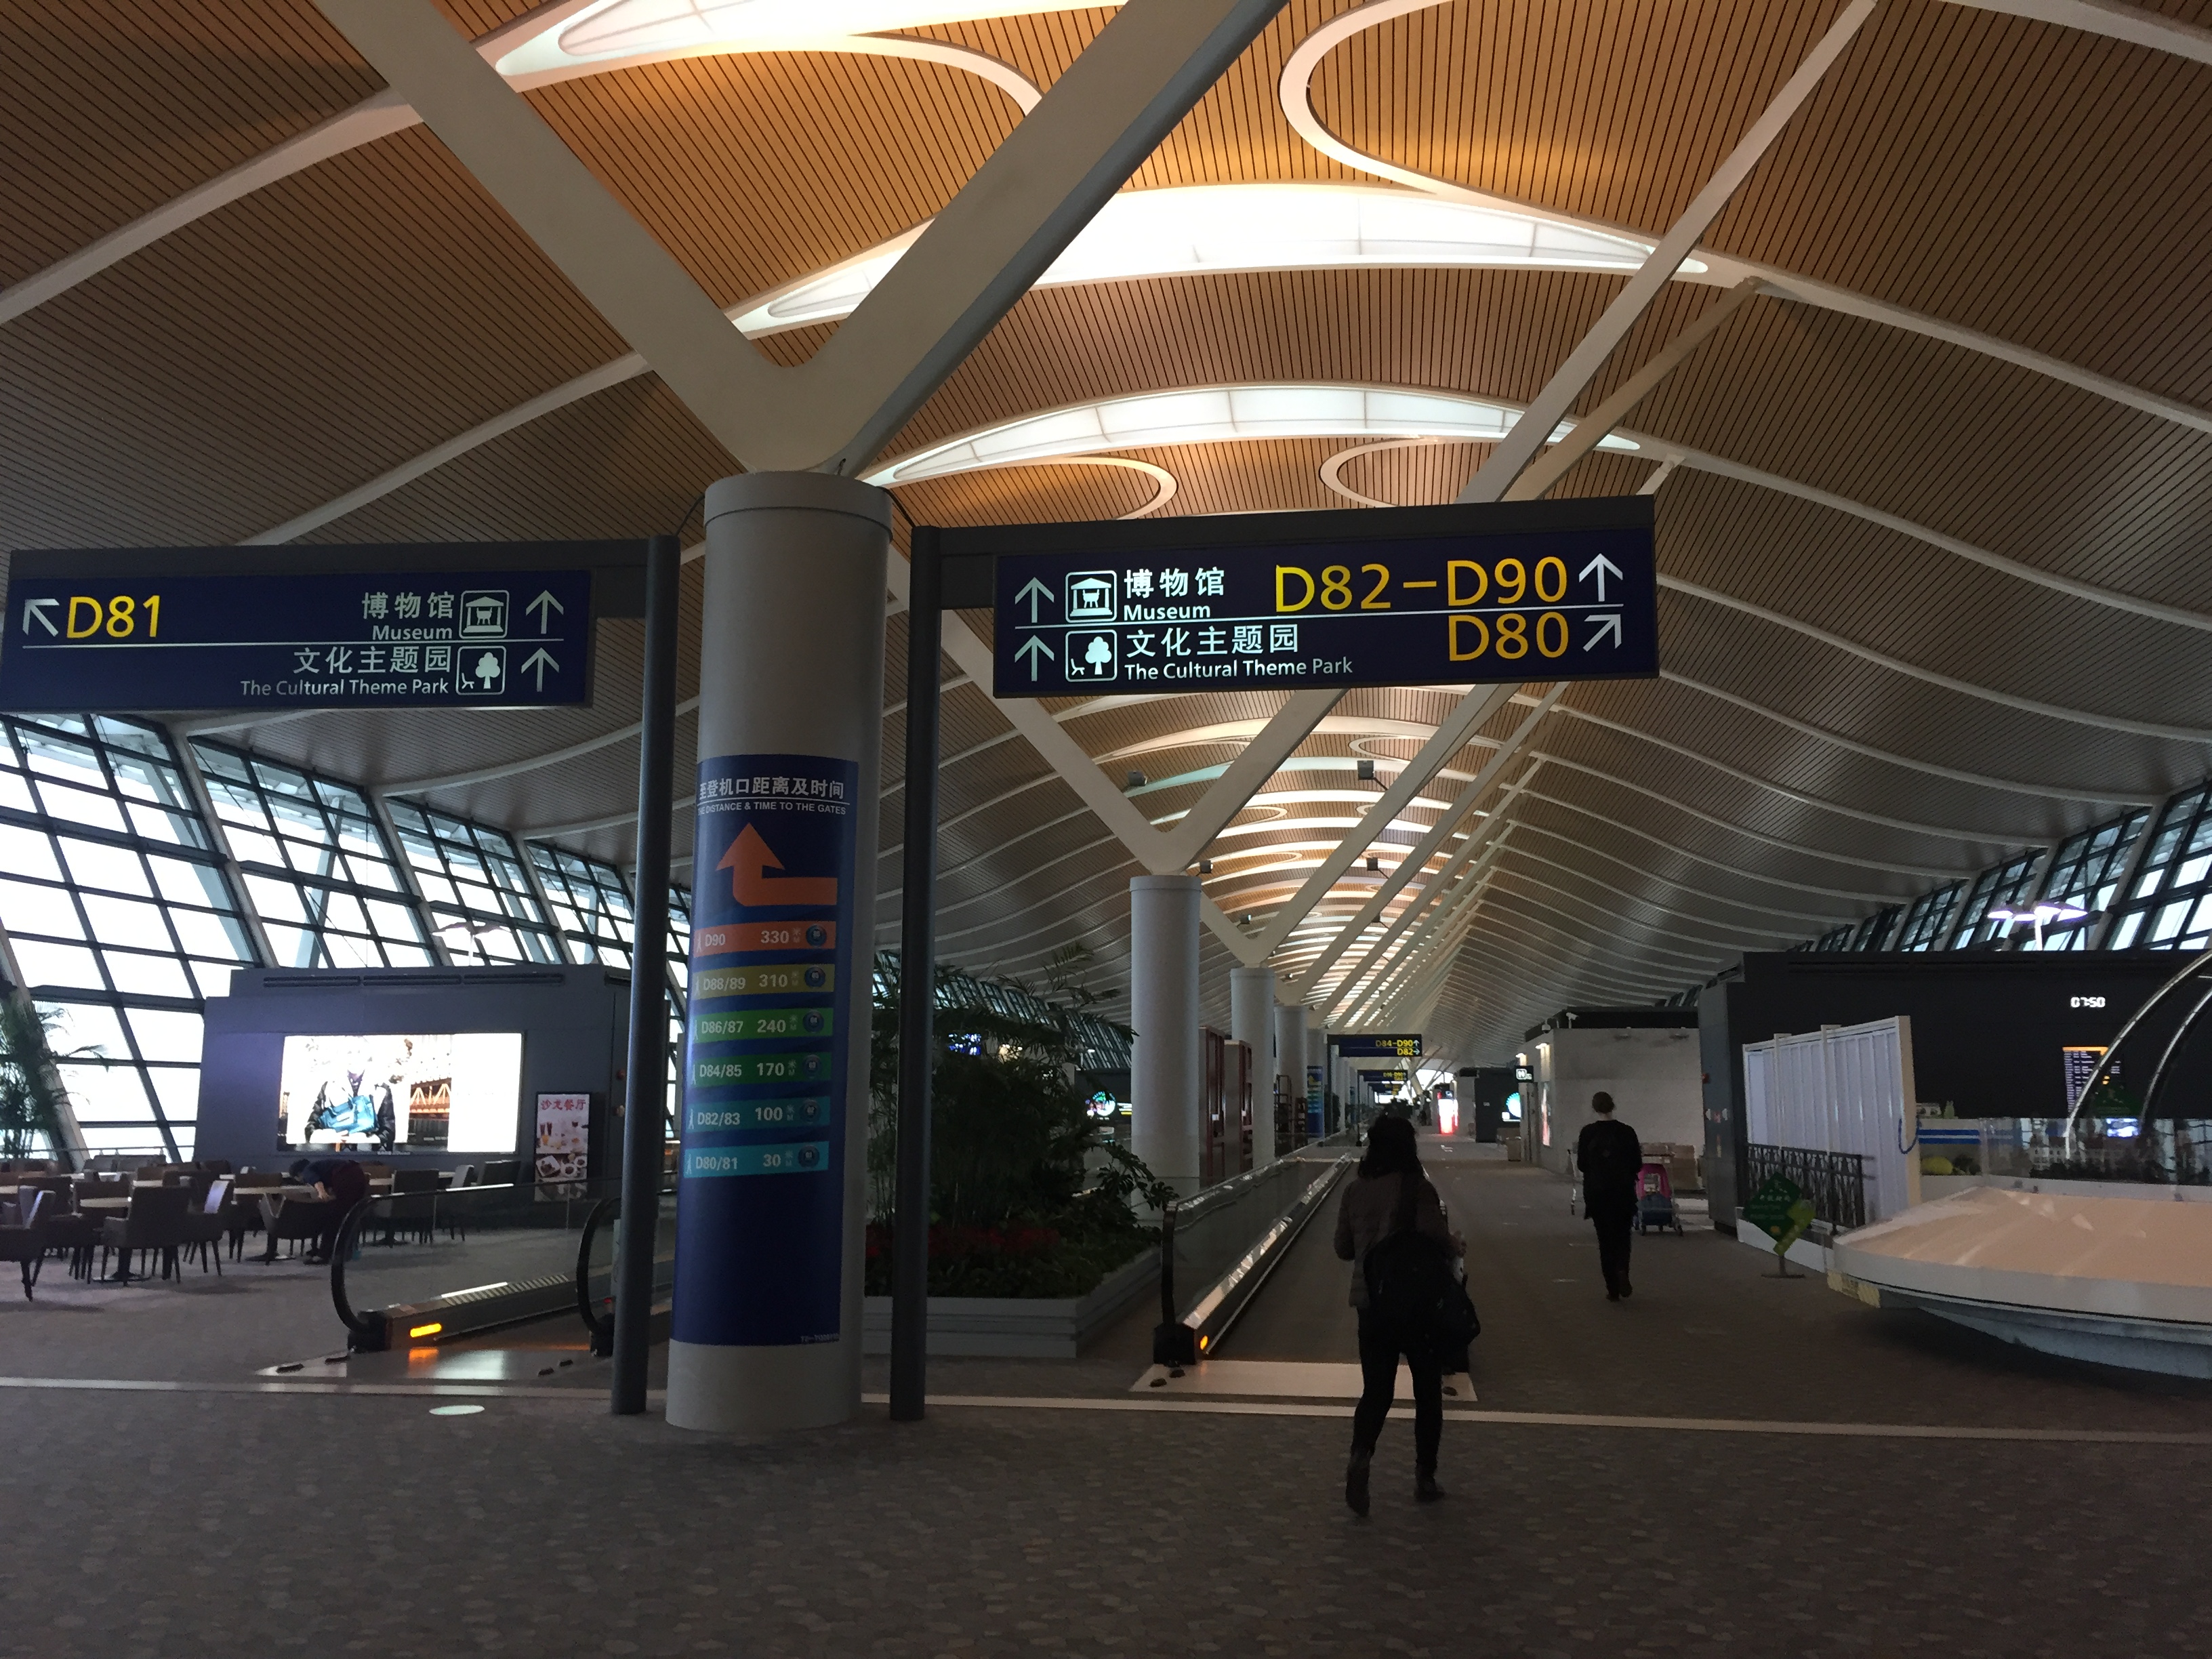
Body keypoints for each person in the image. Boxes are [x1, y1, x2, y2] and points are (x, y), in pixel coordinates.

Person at [1332, 1113, 1464, 1515]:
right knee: (1427, 1391)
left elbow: (1342, 1249)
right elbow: (1436, 1237)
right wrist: (1456, 1244)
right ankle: (1425, 1477)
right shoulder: (1417, 1188)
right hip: (1416, 1305)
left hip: (1371, 1303)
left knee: (1377, 1390)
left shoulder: (1354, 1190)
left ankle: (1361, 1454)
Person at [1575, 1091, 1642, 1301]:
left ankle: (1612, 1289)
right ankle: (1622, 1269)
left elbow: (1582, 1165)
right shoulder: (1627, 1132)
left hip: (1597, 1194)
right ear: (1613, 1106)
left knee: (1605, 1240)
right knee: (1623, 1236)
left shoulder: (1588, 1133)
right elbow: (1637, 1164)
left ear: (1594, 1108)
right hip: (1623, 1193)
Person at [288, 1155, 369, 1263]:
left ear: (298, 1174)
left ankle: (323, 1255)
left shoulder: (307, 1170)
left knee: (332, 1219)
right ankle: (346, 1251)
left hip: (346, 1177)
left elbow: (316, 1181)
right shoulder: (322, 1167)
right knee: (349, 1216)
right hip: (358, 1175)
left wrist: (322, 1194)